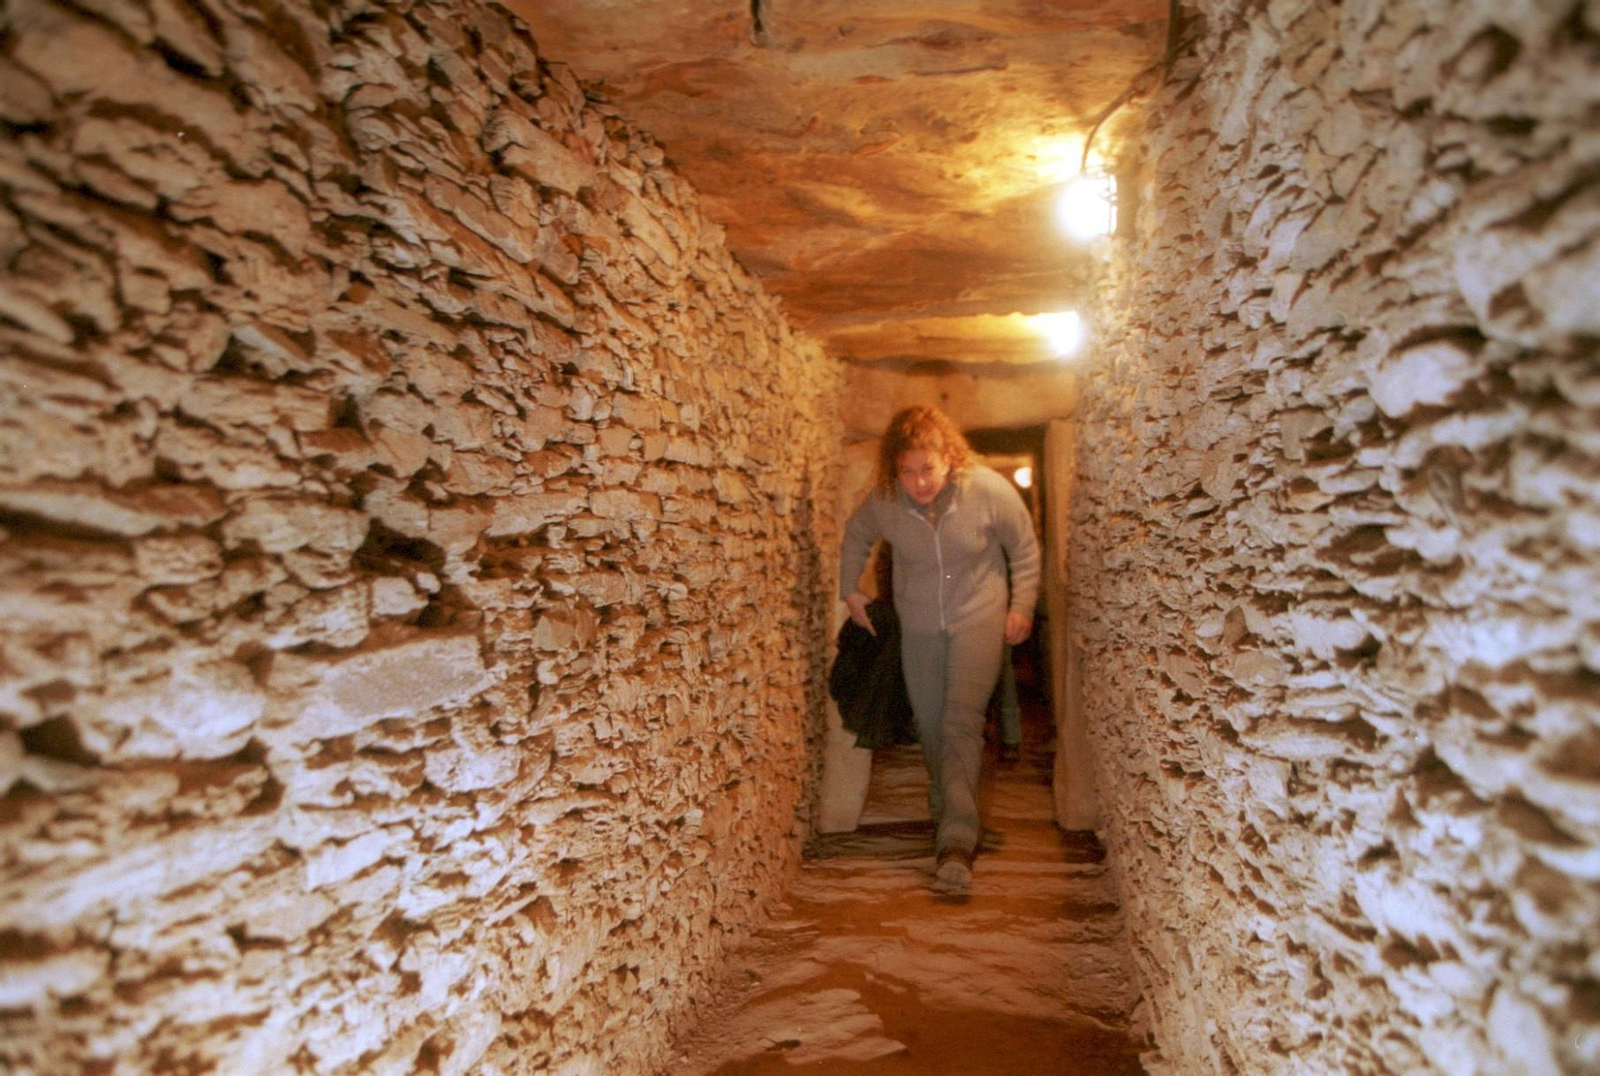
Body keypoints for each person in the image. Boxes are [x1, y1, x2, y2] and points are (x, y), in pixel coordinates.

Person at [839, 406, 1040, 890]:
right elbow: (856, 534)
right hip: (921, 627)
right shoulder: (887, 500)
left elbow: (1025, 549)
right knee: (930, 724)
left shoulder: (989, 491)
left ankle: (955, 839)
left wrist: (1022, 606)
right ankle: (949, 802)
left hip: (979, 619)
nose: (918, 482)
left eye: (926, 468)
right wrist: (851, 590)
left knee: (959, 722)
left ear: (948, 457)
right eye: (907, 471)